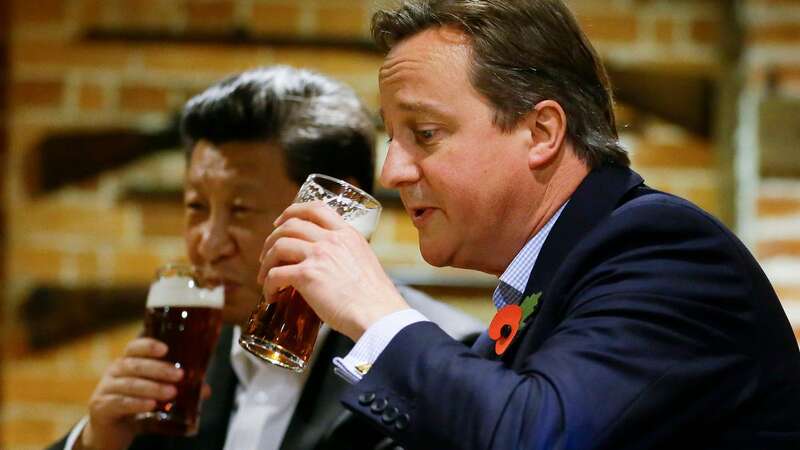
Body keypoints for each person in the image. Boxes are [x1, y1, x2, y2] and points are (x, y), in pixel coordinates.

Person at [256, 1, 800, 449]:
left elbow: (535, 437)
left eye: (424, 133)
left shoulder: (664, 251)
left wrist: (376, 314)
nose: (391, 171)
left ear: (542, 133)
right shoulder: (542, 282)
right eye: (390, 137)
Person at [49, 66, 483, 450]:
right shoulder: (188, 357)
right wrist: (96, 441)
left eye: (240, 210)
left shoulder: (433, 360)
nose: (209, 243)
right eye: (196, 207)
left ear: (335, 208)